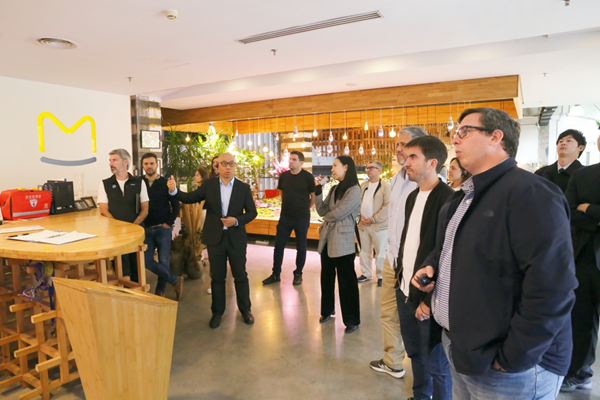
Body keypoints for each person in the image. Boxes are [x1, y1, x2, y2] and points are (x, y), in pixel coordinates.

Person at [413, 107, 577, 400]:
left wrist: (514, 356)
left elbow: (553, 287)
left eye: (465, 131)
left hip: (509, 366)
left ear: (495, 137)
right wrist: (431, 266)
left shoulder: (530, 192)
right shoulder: (464, 196)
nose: (455, 139)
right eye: (456, 133)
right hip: (464, 349)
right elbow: (448, 248)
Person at [168, 152, 257, 329]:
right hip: (216, 239)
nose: (228, 167)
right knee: (217, 277)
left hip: (236, 238)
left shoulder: (243, 188)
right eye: (224, 163)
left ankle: (246, 310)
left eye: (231, 164)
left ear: (235, 166)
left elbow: (252, 212)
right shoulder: (209, 185)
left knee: (240, 275)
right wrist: (174, 191)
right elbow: (190, 198)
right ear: (217, 166)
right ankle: (217, 313)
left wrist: (236, 220)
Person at [395, 136, 454, 400]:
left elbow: (447, 255)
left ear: (432, 163)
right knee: (415, 353)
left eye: (412, 157)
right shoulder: (412, 196)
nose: (406, 163)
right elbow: (408, 242)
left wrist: (429, 301)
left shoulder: (449, 199)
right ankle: (421, 395)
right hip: (405, 289)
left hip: (430, 296)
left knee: (437, 362)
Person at [369, 126, 426, 379]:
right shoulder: (397, 177)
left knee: (417, 317)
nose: (399, 149)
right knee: (388, 312)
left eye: (404, 144)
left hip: (414, 262)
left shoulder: (426, 180)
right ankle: (393, 362)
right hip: (393, 258)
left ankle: (425, 377)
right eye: (398, 144)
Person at [563, 133, 600, 392]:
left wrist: (590, 209)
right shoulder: (583, 175)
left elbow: (580, 211)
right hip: (584, 257)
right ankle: (579, 372)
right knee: (582, 320)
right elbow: (568, 211)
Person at [315, 156, 361, 333]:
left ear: (346, 167)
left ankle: (352, 319)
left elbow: (339, 213)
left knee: (346, 282)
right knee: (326, 278)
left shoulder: (354, 190)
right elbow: (322, 210)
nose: (332, 169)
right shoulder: (334, 188)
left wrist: (326, 217)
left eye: (335, 165)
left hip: (343, 241)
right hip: (327, 239)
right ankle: (327, 310)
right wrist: (318, 192)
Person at [262, 151, 315, 286]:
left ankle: (298, 274)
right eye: (290, 159)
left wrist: (307, 208)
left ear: (301, 163)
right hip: (285, 217)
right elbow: (281, 192)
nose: (290, 161)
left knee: (301, 247)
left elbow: (313, 196)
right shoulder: (284, 176)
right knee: (279, 246)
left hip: (302, 218)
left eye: (294, 159)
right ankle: (275, 273)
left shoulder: (307, 177)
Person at [98, 148, 149, 282]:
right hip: (115, 235)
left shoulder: (139, 182)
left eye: (114, 160)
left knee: (137, 268)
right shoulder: (105, 184)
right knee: (121, 269)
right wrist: (118, 227)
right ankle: (124, 292)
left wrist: (135, 225)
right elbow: (104, 210)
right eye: (110, 160)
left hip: (136, 232)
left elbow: (145, 208)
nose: (111, 164)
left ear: (125, 162)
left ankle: (137, 292)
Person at [141, 152, 184, 300]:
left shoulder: (166, 183)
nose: (149, 166)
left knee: (164, 261)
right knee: (146, 261)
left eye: (151, 163)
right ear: (142, 165)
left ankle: (160, 289)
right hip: (146, 228)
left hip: (162, 228)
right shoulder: (139, 183)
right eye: (146, 164)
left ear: (157, 164)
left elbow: (176, 206)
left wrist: (168, 223)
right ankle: (175, 280)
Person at [357, 160, 390, 286]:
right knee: (364, 251)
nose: (368, 170)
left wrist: (374, 219)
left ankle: (381, 276)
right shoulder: (363, 185)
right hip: (363, 224)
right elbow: (358, 202)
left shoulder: (386, 186)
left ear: (379, 170)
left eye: (371, 168)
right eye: (367, 168)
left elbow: (388, 205)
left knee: (381, 252)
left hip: (379, 226)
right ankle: (366, 273)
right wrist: (360, 217)